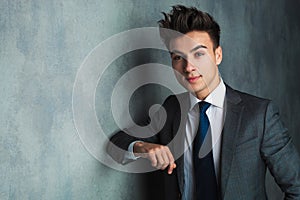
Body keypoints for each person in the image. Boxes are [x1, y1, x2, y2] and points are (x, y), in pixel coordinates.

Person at [107, 5, 300, 200]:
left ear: (218, 55)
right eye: (178, 57)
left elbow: (296, 187)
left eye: (198, 54)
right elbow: (116, 144)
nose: (189, 67)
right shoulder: (172, 109)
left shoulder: (259, 114)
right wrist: (143, 147)